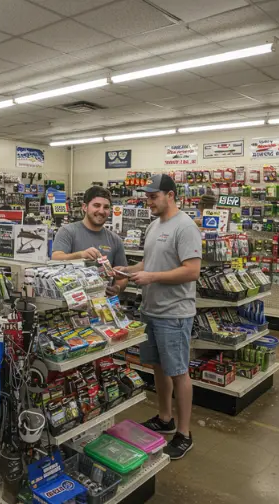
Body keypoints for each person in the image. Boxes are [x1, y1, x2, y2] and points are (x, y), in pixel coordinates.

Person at [114, 174, 202, 460]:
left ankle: (184, 433)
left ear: (170, 195)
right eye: (147, 196)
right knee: (158, 368)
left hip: (174, 313)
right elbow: (148, 263)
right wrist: (125, 270)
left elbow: (191, 271)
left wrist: (151, 276)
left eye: (153, 197)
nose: (148, 201)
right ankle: (165, 419)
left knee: (178, 372)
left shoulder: (185, 227)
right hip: (151, 310)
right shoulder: (154, 225)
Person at [52, 186, 128, 295]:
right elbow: (55, 258)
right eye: (96, 205)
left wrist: (117, 288)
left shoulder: (115, 240)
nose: (101, 211)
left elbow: (122, 277)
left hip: (102, 306)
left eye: (106, 207)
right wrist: (80, 255)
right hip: (72, 304)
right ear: (84, 207)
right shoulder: (67, 231)